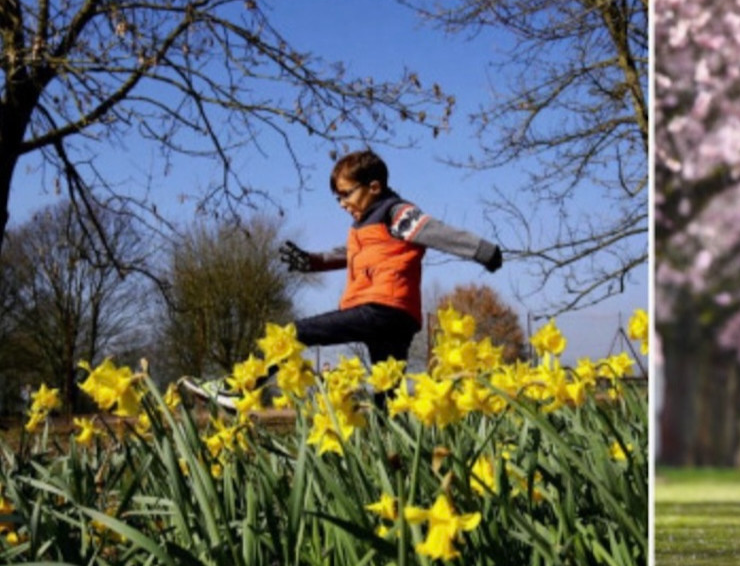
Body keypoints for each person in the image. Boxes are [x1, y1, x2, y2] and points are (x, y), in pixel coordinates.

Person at [184, 150, 503, 407]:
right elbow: (346, 254)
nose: (342, 204)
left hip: (381, 308)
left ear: (374, 187)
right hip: (395, 318)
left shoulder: (396, 213)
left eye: (346, 194)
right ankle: (395, 469)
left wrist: (481, 250)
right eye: (337, 198)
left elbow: (435, 231)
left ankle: (237, 387)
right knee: (387, 400)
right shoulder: (367, 225)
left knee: (292, 334)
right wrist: (312, 261)